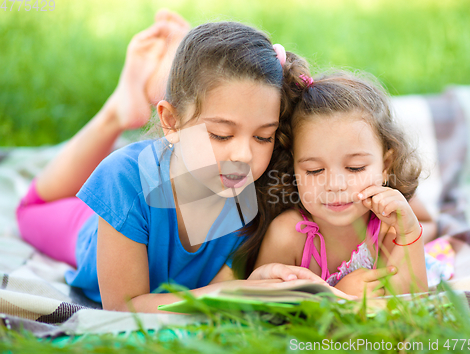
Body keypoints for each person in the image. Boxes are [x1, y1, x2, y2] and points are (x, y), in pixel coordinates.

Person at [16, 10, 350, 314]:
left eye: (263, 136)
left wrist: (260, 280)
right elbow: (125, 306)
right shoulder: (124, 180)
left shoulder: (261, 188)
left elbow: (224, 283)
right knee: (29, 209)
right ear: (171, 121)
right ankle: (117, 111)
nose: (244, 156)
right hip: (95, 228)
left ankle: (167, 82)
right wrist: (237, 292)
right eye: (220, 134)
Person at [253, 70, 431, 297]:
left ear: (386, 165)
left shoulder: (389, 226)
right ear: (294, 169)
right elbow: (264, 308)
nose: (335, 185)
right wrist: (337, 297)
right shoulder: (288, 236)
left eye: (355, 167)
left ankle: (431, 225)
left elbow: (411, 301)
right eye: (314, 170)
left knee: (418, 215)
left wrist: (409, 232)